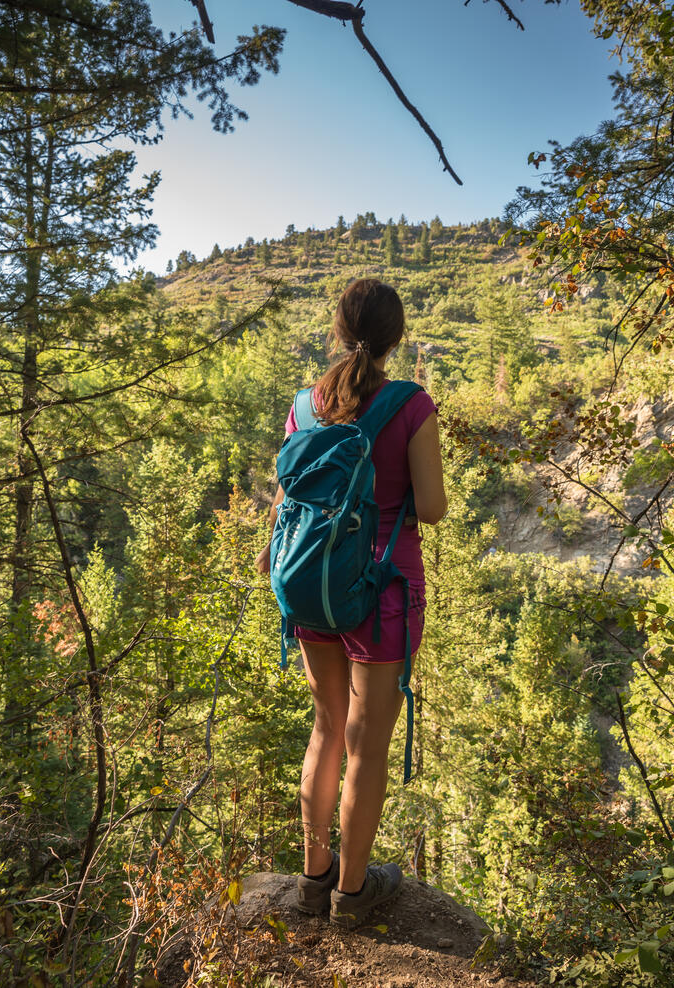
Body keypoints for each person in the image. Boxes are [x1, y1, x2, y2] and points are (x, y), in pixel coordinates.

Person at [256, 278, 447, 928]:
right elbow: (433, 508)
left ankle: (314, 882)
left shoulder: (303, 409)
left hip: (310, 584)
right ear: (394, 339)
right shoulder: (410, 405)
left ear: (339, 329)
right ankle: (352, 895)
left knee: (325, 731)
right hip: (381, 594)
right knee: (366, 747)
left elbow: (288, 499)